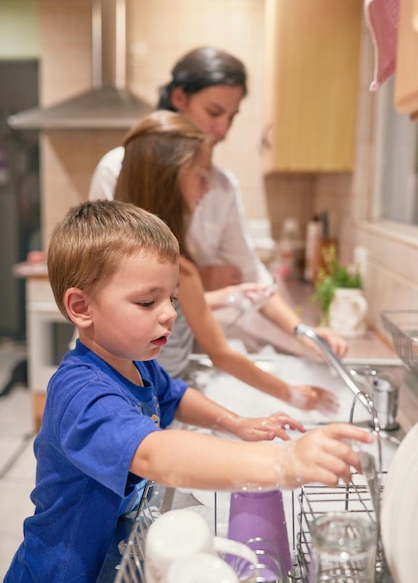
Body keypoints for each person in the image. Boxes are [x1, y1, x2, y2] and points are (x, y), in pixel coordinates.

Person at [5, 199, 374, 582]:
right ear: (82, 307)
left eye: (172, 298)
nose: (169, 313)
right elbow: (154, 456)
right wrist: (284, 461)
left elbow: (175, 395)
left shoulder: (135, 361)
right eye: (148, 301)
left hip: (109, 558)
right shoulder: (82, 395)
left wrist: (238, 423)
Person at [88, 46, 348, 359]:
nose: (223, 129)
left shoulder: (222, 187)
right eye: (214, 112)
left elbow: (251, 276)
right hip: (120, 356)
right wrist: (200, 281)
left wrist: (303, 331)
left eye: (232, 117)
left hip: (182, 351)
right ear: (180, 98)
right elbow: (106, 280)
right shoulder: (116, 170)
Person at [114, 110, 336, 414]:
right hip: (148, 410)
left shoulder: (113, 253)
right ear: (169, 179)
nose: (207, 189)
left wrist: (231, 296)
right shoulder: (178, 265)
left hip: (134, 403)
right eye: (202, 177)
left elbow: (175, 305)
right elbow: (222, 354)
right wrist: (294, 395)